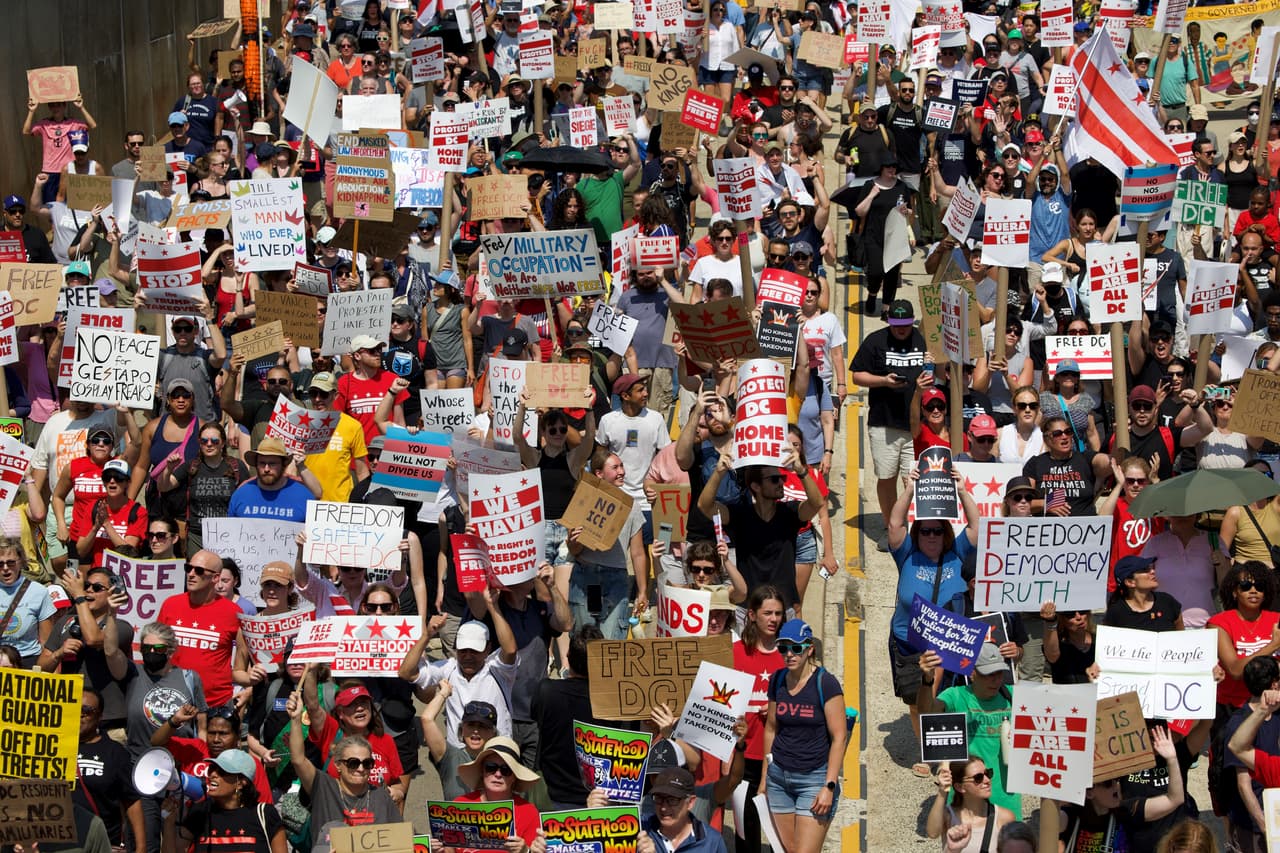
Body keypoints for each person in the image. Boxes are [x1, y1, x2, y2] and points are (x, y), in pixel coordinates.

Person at [887, 466, 980, 756]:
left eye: (937, 531)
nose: (931, 536)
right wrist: (909, 490)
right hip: (908, 642)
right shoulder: (907, 554)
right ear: (917, 533)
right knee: (916, 700)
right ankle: (927, 751)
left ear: (945, 533)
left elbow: (976, 527)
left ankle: (944, 750)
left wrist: (962, 491)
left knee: (944, 696)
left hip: (947, 642)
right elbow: (894, 524)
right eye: (925, 530)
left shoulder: (957, 553)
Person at [760, 618, 845, 852]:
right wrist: (764, 778)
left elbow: (839, 737)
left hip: (813, 779)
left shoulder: (826, 684)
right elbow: (771, 728)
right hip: (778, 779)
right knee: (788, 850)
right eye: (783, 648)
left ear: (810, 649)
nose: (789, 654)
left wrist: (829, 786)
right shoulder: (777, 680)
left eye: (796, 648)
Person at [850, 299, 927, 550]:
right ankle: (891, 527)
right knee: (886, 478)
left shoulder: (923, 340)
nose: (901, 329)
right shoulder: (875, 341)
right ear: (889, 321)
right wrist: (884, 381)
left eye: (905, 324)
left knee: (912, 480)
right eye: (896, 324)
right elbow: (857, 375)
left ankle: (915, 529)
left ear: (912, 321)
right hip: (884, 423)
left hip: (916, 424)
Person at [917, 643, 1018, 817]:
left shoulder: (1014, 696)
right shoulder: (955, 696)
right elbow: (926, 714)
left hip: (1007, 797)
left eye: (999, 673)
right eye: (988, 674)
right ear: (972, 673)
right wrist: (927, 681)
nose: (996, 680)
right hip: (966, 798)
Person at [285, 689, 399, 840]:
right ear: (338, 764)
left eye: (367, 763)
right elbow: (298, 760)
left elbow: (401, 837)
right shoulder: (323, 787)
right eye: (353, 763)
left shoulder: (381, 796)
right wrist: (295, 719)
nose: (360, 768)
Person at [158, 548, 246, 708]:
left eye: (198, 570)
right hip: (172, 701)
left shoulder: (234, 613)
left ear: (215, 577)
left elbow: (244, 656)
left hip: (216, 705)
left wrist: (246, 688)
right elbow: (157, 647)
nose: (191, 574)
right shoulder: (170, 604)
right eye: (188, 568)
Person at [432, 736, 546, 853]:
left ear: (514, 777)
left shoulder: (528, 812)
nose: (498, 774)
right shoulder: (460, 805)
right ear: (482, 771)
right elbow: (450, 850)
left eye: (506, 770)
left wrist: (525, 850)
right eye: (491, 767)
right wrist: (439, 850)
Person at [161, 748, 286, 853]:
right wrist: (169, 822)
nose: (213, 775)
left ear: (241, 783)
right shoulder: (200, 812)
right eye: (212, 769)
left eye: (222, 771)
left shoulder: (265, 814)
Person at [159, 421, 248, 555]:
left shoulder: (236, 466)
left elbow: (247, 497)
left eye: (215, 441)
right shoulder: (191, 466)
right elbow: (164, 487)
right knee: (197, 567)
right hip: (197, 536)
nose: (209, 444)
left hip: (228, 535)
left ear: (223, 443)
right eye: (204, 441)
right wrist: (168, 469)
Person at [853, 155, 914, 318]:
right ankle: (872, 294)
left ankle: (887, 308)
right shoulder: (870, 185)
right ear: (881, 168)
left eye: (894, 167)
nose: (891, 169)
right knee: (876, 271)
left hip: (895, 237)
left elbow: (910, 211)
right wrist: (871, 195)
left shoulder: (902, 187)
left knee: (892, 274)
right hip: (874, 235)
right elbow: (859, 211)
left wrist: (906, 211)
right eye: (888, 166)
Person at [926, 755, 1017, 850]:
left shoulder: (1004, 817)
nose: (987, 780)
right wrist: (942, 791)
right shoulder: (948, 815)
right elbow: (933, 833)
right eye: (978, 778)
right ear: (960, 787)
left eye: (988, 773)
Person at [227, 437, 321, 522]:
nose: (266, 469)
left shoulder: (303, 496)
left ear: (283, 465)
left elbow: (315, 531)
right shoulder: (241, 493)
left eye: (272, 464)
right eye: (262, 463)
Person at [638, 767, 729, 853]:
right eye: (659, 798)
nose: (664, 807)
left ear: (690, 802)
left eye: (672, 800)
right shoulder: (640, 827)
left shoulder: (712, 842)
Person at [1105, 555, 1184, 632]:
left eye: (1152, 568)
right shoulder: (1116, 612)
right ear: (1130, 582)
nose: (1153, 571)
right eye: (1145, 570)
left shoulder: (1167, 602)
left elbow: (1181, 635)